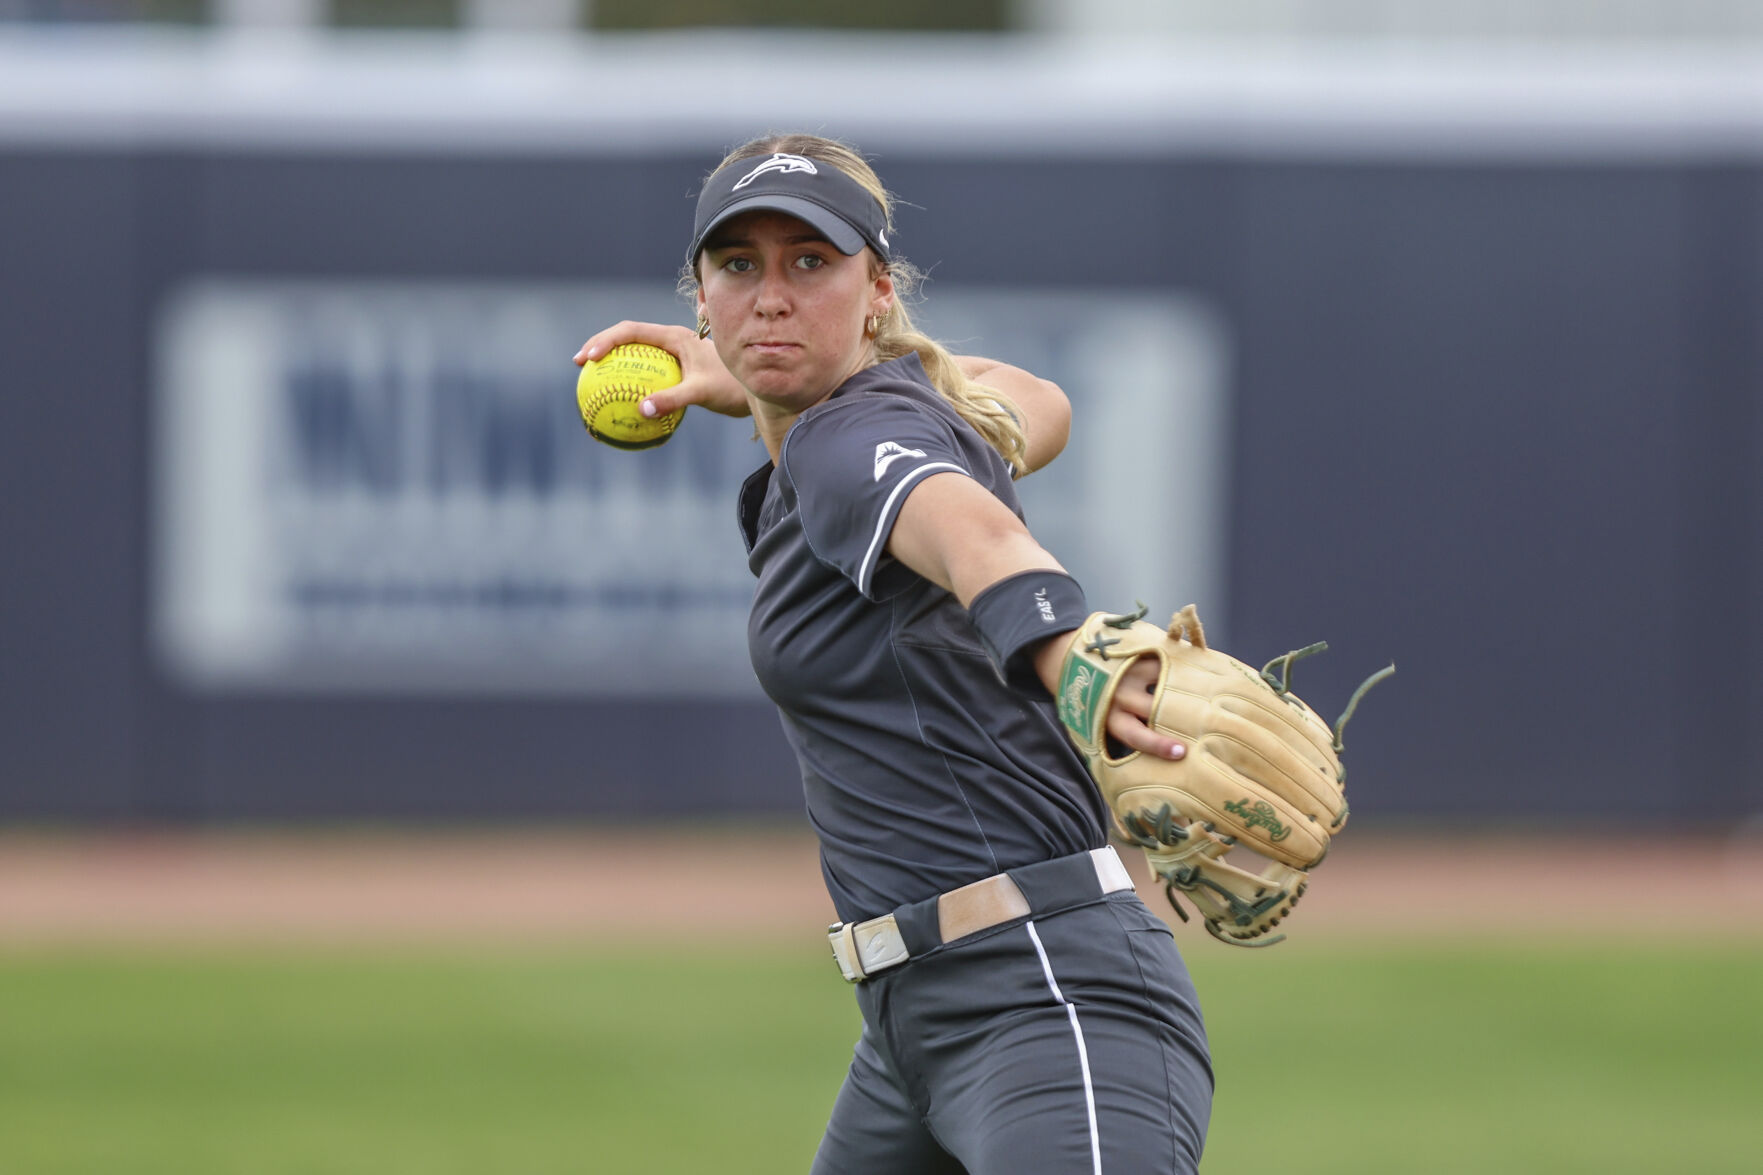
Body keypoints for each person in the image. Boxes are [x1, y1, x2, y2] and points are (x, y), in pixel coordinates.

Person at [576, 133, 1211, 1174]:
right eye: (739, 266)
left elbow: (976, 535)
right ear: (698, 298)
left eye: (808, 263)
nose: (770, 295)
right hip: (911, 1028)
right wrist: (769, 385)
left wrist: (1064, 650)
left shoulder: (840, 443)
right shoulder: (884, 415)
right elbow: (1034, 402)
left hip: (1047, 1001)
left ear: (875, 288)